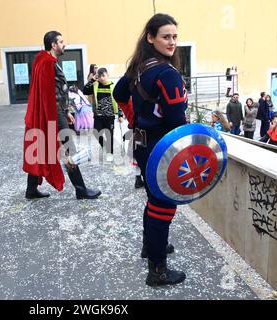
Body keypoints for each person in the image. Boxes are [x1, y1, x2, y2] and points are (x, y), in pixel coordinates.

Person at [113, 13, 187, 286]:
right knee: (163, 207)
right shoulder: (167, 74)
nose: (172, 42)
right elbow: (178, 124)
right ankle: (157, 271)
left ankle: (150, 247)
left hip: (142, 145)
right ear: (151, 37)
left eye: (175, 37)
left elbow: (119, 93)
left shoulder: (140, 66)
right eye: (166, 36)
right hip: (161, 148)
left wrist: (135, 119)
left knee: (153, 200)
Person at [22, 31, 101, 200]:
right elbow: (48, 96)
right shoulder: (47, 63)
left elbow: (55, 92)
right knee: (69, 149)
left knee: (41, 147)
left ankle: (31, 189)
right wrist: (59, 115)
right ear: (53, 44)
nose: (64, 44)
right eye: (61, 41)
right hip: (53, 113)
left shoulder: (44, 61)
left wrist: (66, 112)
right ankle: (81, 189)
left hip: (56, 111)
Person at [83, 67, 124, 162]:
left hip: (110, 116)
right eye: (99, 76)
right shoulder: (95, 85)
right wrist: (91, 80)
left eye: (103, 76)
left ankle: (110, 153)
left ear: (107, 75)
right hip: (98, 115)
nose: (101, 78)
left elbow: (118, 101)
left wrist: (120, 115)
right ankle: (104, 146)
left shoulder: (113, 86)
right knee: (96, 132)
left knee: (109, 134)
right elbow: (85, 91)